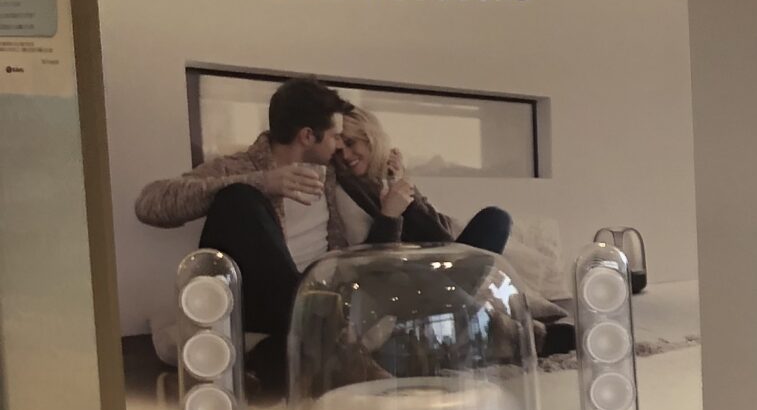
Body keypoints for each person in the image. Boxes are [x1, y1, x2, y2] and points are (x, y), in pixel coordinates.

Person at [133, 77, 356, 366]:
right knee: (238, 197)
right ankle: (313, 323)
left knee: (285, 348)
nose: (339, 145)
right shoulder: (237, 167)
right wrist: (262, 182)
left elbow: (374, 171)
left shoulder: (331, 173)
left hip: (309, 299)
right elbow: (149, 204)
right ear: (307, 136)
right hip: (255, 298)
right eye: (335, 136)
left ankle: (301, 336)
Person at [332, 104, 513, 256]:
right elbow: (372, 262)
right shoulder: (347, 191)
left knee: (496, 219)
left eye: (351, 143)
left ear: (371, 138)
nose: (346, 156)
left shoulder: (385, 178)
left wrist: (404, 186)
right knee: (494, 220)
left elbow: (439, 238)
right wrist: (389, 216)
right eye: (338, 151)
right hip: (406, 273)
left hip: (433, 262)